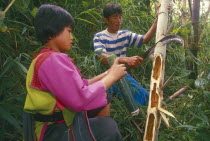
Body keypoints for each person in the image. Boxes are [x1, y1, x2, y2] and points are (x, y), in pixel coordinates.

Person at [23, 4, 127, 141]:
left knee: (104, 98)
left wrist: (108, 73)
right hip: (52, 130)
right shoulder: (52, 60)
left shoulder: (46, 57)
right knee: (109, 128)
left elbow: (82, 84)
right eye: (69, 31)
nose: (72, 37)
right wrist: (111, 77)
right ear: (53, 30)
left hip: (58, 121)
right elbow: (80, 99)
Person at [93, 3, 161, 106]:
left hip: (122, 76)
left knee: (146, 98)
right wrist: (125, 60)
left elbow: (145, 39)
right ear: (106, 20)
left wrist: (157, 20)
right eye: (115, 17)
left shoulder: (125, 34)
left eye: (120, 17)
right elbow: (101, 57)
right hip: (105, 77)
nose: (119, 20)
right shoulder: (99, 37)